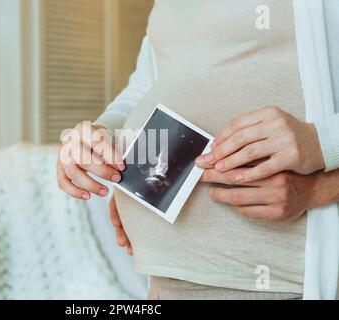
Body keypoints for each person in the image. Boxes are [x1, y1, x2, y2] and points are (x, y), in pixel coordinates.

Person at [56, 0, 339, 299]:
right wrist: (102, 133)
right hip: (165, 275)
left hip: (270, 279)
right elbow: (149, 85)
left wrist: (321, 145)